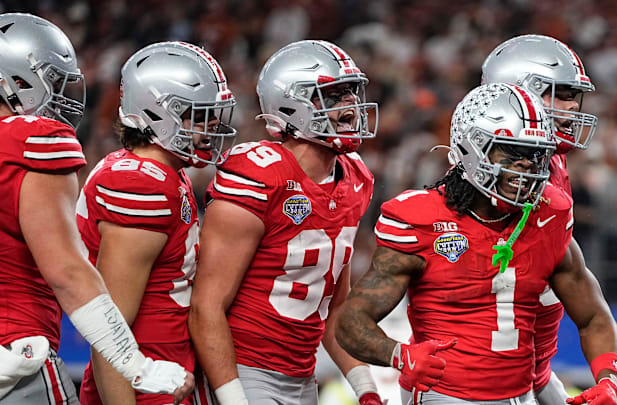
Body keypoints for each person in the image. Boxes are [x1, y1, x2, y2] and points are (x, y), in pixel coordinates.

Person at [336, 83, 617, 405]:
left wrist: (611, 378)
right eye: (513, 152)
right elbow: (352, 321)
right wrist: (398, 355)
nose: (527, 166)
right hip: (444, 395)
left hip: (521, 394)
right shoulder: (421, 218)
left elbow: (593, 316)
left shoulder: (549, 214)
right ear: (474, 148)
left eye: (535, 154)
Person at [0, 13, 192, 405]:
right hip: (15, 353)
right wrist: (137, 366)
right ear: (12, 81)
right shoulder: (30, 139)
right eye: (53, 81)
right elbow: (67, 272)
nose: (62, 94)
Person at [188, 40, 384, 405]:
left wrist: (366, 387)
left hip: (302, 375)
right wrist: (233, 397)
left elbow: (335, 306)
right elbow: (206, 307)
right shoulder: (258, 175)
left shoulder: (355, 179)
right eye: (333, 95)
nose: (350, 107)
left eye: (351, 94)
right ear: (291, 105)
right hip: (243, 370)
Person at [75, 41, 236, 405]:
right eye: (199, 115)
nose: (212, 126)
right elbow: (109, 332)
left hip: (167, 376)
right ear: (160, 113)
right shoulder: (140, 183)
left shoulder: (162, 173)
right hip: (146, 385)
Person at [481, 34, 600, 405]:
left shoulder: (552, 161)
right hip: (487, 373)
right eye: (561, 94)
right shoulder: (490, 172)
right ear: (521, 93)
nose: (572, 106)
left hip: (533, 366)